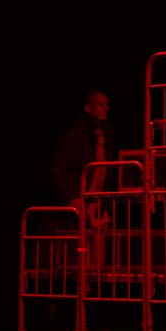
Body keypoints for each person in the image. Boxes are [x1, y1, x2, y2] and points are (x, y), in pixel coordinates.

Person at [51, 89, 115, 227]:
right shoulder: (76, 134)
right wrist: (73, 196)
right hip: (80, 199)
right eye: (100, 104)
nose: (105, 108)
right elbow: (60, 168)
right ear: (88, 108)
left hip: (99, 201)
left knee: (99, 235)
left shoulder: (107, 133)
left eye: (106, 104)